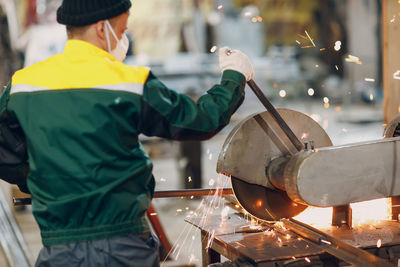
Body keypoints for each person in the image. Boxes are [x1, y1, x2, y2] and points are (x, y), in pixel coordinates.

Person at [1, 0, 254, 266]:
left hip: (58, 247)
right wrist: (234, 77)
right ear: (101, 29)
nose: (124, 39)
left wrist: (41, 179)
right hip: (124, 246)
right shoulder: (130, 83)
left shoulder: (23, 85)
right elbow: (201, 120)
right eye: (121, 31)